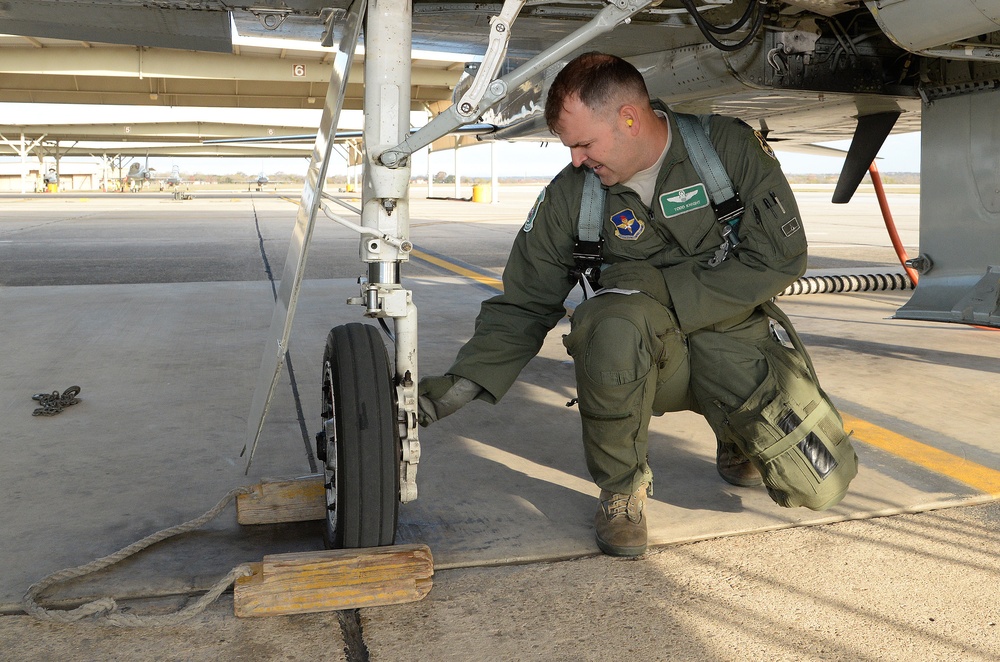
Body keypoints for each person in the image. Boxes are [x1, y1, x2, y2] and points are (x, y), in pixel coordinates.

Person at [418, 52, 821, 557]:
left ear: (629, 119)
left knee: (819, 486)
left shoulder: (725, 150)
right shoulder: (572, 196)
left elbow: (783, 255)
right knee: (611, 322)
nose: (576, 160)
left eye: (584, 144)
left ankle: (736, 433)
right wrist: (462, 383)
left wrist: (657, 290)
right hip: (646, 351)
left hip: (733, 338)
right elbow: (524, 302)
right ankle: (621, 489)